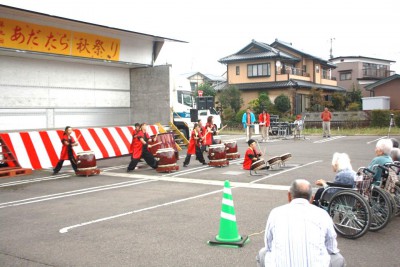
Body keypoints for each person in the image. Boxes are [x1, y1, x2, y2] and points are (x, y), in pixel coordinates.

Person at [256, 179, 346, 267]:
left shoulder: (275, 213)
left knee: (262, 253)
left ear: (289, 196)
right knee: (338, 258)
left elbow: (268, 245)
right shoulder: (322, 214)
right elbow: (331, 248)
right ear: (312, 199)